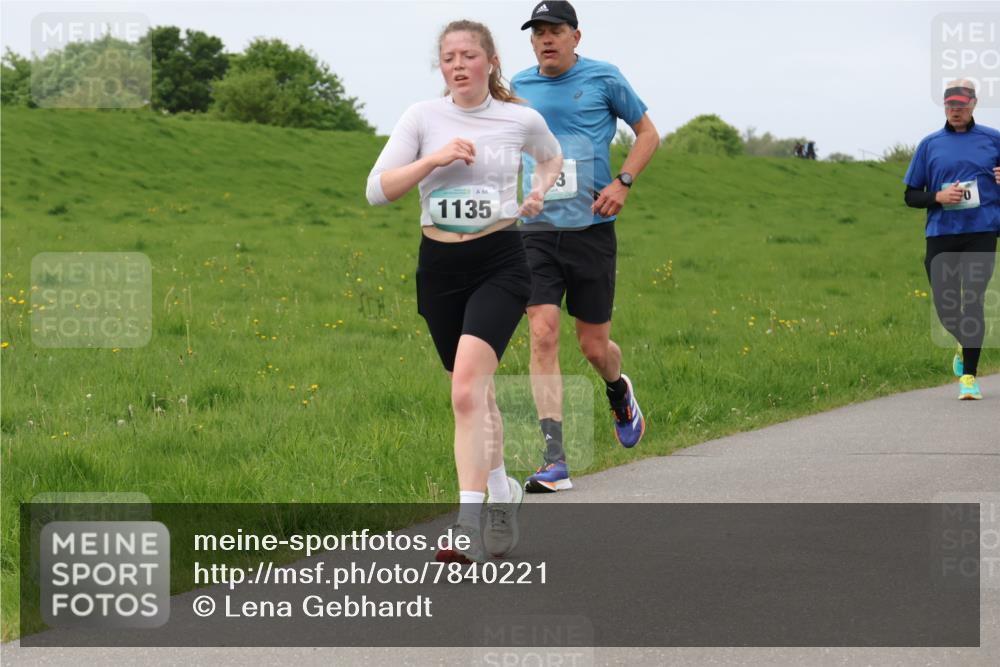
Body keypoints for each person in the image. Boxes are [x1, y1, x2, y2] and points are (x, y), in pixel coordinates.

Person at [366, 20, 562, 559]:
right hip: (439, 268)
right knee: (480, 395)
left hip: (500, 261)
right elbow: (376, 190)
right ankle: (502, 493)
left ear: (491, 61)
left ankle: (467, 526)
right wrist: (432, 159)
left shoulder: (519, 118)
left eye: (469, 55)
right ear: (442, 66)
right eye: (449, 56)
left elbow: (550, 158)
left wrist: (539, 191)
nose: (458, 64)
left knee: (466, 391)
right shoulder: (422, 118)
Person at [511, 1, 660, 493]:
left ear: (577, 36)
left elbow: (647, 133)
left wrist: (623, 182)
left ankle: (619, 392)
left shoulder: (604, 78)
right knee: (543, 333)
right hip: (536, 229)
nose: (546, 39)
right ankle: (553, 459)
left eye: (555, 30)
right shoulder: (519, 87)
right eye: (538, 32)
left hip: (592, 227)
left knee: (594, 347)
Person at [903, 79, 1000, 400]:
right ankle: (963, 345)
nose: (955, 111)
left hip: (982, 231)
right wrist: (939, 196)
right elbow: (911, 195)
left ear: (973, 104)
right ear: (944, 107)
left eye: (961, 105)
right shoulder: (930, 145)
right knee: (947, 308)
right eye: (950, 106)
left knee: (973, 301)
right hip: (941, 233)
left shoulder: (993, 140)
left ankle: (969, 377)